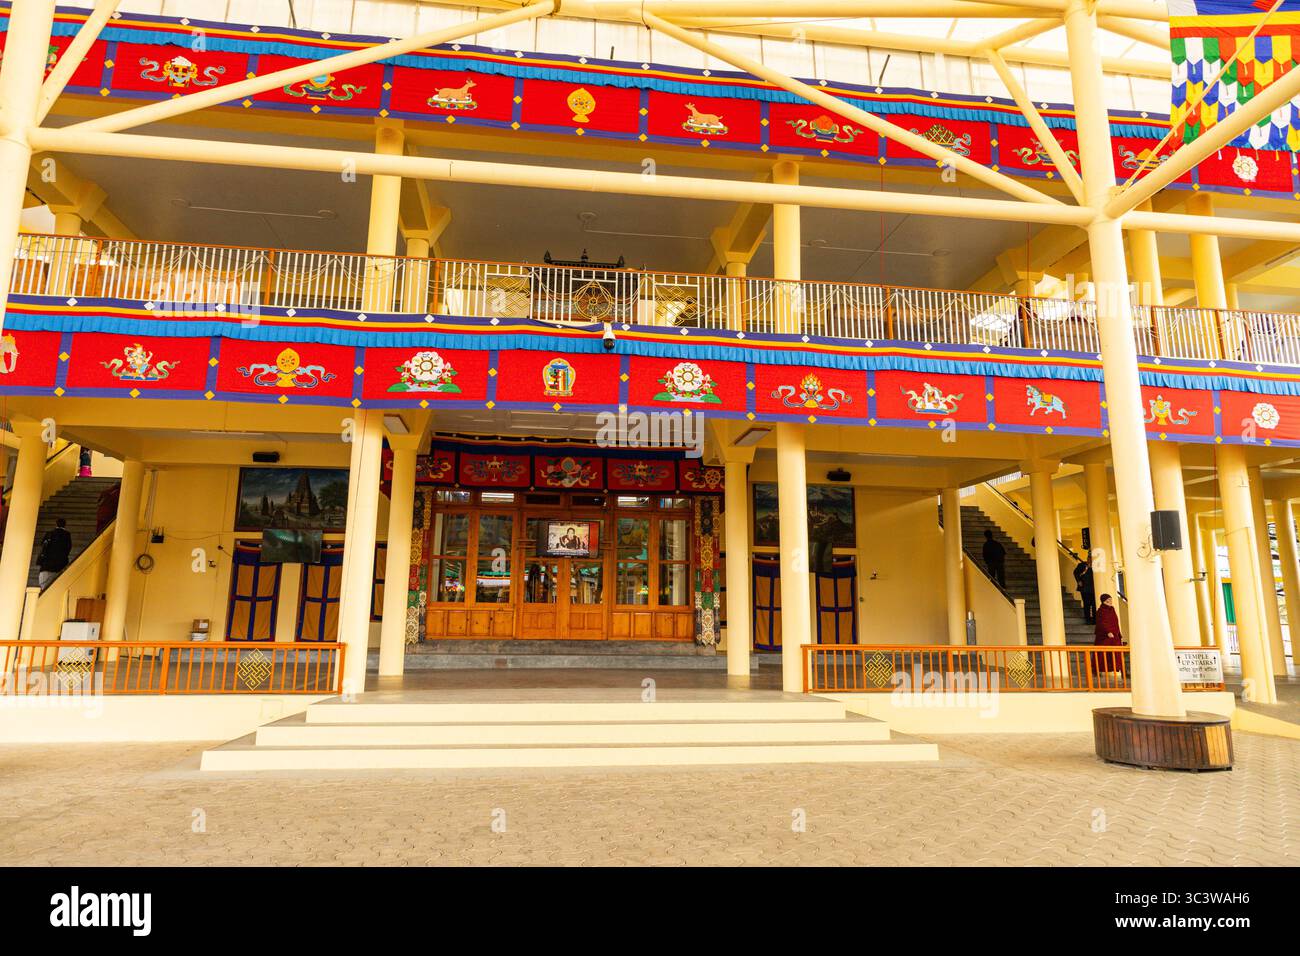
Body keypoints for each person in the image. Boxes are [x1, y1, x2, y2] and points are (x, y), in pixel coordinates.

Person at [1092, 593, 1125, 679]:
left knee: (1117, 655)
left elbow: (1115, 622)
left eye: (1110, 600)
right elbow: (1101, 623)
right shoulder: (1100, 611)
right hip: (1105, 637)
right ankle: (1097, 670)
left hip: (1115, 636)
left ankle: (1122, 671)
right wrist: (1108, 632)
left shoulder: (1112, 609)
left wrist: (1119, 634)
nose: (1110, 602)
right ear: (1103, 602)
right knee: (1102, 655)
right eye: (1107, 601)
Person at [37, 518, 73, 588]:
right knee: (58, 587)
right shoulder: (67, 535)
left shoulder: (49, 533)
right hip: (60, 565)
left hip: (46, 565)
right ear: (65, 525)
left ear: (56, 524)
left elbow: (42, 545)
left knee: (44, 586)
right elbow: (68, 548)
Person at [1073, 556, 1096, 623]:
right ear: (1087, 558)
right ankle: (1088, 620)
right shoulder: (1082, 565)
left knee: (1094, 604)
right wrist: (1078, 581)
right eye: (1089, 558)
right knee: (1087, 604)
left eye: (1091, 558)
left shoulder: (1096, 566)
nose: (1090, 560)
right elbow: (1075, 573)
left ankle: (1095, 619)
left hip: (1094, 589)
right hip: (1084, 588)